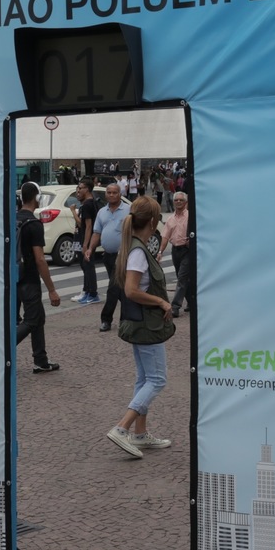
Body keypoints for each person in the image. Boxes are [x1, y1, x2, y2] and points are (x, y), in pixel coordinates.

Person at [105, 196, 173, 459]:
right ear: (154, 222)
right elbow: (133, 290)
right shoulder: (137, 251)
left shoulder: (133, 247)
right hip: (147, 324)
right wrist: (161, 302)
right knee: (157, 379)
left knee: (145, 378)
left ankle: (141, 434)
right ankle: (123, 427)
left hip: (140, 323)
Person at [15, 182, 62, 372]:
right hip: (29, 279)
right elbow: (40, 260)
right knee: (32, 320)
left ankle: (41, 361)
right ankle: (3, 349)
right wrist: (51, 289)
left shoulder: (12, 219)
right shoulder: (34, 225)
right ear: (37, 198)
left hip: (12, 278)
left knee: (38, 318)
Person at [86, 184, 130, 333]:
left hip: (122, 256)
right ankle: (127, 317)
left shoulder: (128, 210)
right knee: (121, 289)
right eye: (109, 192)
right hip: (108, 256)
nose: (111, 195)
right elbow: (96, 232)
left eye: (114, 193)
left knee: (113, 287)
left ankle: (106, 319)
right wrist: (90, 249)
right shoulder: (101, 212)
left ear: (120, 194)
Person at [157, 191, 192, 318]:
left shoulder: (190, 216)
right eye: (176, 200)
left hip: (187, 251)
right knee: (182, 277)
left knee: (182, 278)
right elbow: (165, 237)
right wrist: (160, 252)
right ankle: (192, 302)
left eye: (181, 200)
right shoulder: (170, 219)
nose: (178, 202)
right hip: (175, 251)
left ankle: (175, 306)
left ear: (186, 202)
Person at [73, 179, 100, 305]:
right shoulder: (88, 204)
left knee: (88, 266)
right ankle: (87, 291)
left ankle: (92, 293)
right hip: (85, 239)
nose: (78, 191)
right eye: (78, 188)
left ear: (87, 189)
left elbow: (88, 226)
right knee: (86, 266)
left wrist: (86, 245)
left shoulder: (88, 205)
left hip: (87, 240)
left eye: (81, 188)